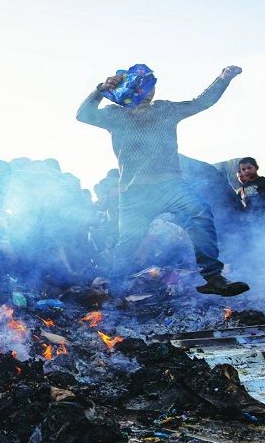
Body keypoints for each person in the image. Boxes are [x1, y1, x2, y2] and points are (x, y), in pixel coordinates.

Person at [76, 64, 249, 296]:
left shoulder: (165, 109)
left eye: (151, 86)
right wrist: (100, 90)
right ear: (131, 88)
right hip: (134, 191)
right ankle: (115, 291)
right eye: (145, 86)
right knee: (128, 243)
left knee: (199, 211)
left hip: (170, 184)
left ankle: (213, 277)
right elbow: (82, 115)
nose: (150, 91)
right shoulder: (114, 115)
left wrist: (223, 78)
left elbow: (202, 102)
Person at [236, 157, 265, 261]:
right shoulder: (243, 187)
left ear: (256, 168)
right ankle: (262, 267)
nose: (246, 171)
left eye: (249, 168)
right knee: (256, 244)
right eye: (243, 169)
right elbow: (245, 204)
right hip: (252, 221)